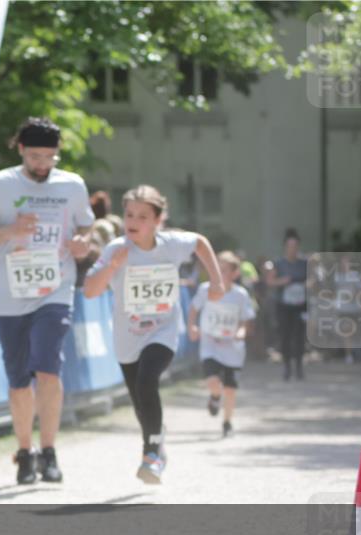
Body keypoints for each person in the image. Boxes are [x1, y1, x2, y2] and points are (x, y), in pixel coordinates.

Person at [0, 117, 94, 485]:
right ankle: (25, 452)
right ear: (21, 149)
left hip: (55, 289)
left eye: (49, 157)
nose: (42, 164)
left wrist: (82, 241)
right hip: (10, 295)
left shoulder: (72, 185)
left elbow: (86, 224)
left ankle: (50, 450)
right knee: (20, 380)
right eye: (35, 156)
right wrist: (10, 231)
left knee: (49, 369)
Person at [84, 185, 223, 484]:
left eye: (143, 216)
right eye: (129, 214)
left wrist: (216, 281)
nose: (133, 221)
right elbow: (91, 290)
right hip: (127, 336)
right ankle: (157, 441)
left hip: (163, 330)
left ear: (159, 220)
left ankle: (151, 455)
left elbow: (200, 243)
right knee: (140, 401)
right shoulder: (115, 249)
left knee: (148, 380)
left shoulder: (171, 244)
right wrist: (112, 266)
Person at [187, 251, 256, 438]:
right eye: (216, 268)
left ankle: (227, 422)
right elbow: (194, 308)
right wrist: (192, 326)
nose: (218, 273)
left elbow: (246, 320)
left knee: (230, 390)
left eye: (224, 270)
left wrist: (241, 332)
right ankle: (215, 396)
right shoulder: (205, 289)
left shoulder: (240, 295)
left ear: (234, 273)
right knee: (213, 382)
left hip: (232, 349)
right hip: (210, 344)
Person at [265, 228, 308, 380]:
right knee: (286, 336)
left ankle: (299, 367)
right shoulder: (278, 263)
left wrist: (307, 284)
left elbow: (315, 280)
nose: (293, 249)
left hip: (301, 305)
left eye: (295, 246)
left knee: (299, 336)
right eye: (290, 246)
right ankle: (287, 367)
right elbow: (270, 281)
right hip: (284, 305)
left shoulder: (304, 263)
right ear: (285, 247)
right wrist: (282, 281)